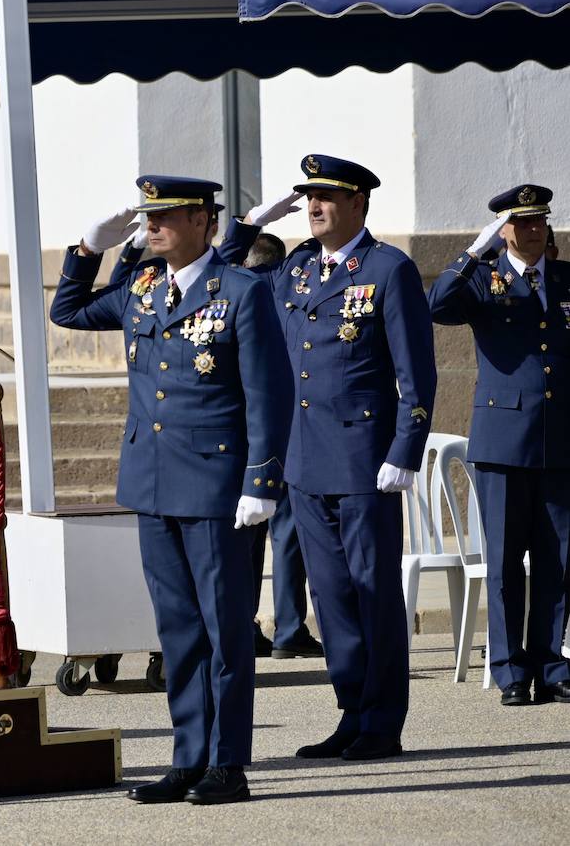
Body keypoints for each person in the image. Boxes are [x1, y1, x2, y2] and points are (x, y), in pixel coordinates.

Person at [51, 176, 291, 805]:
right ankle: (188, 757)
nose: (152, 225)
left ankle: (227, 762)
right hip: (153, 483)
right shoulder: (141, 288)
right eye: (148, 216)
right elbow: (69, 311)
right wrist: (86, 247)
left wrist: (262, 480)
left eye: (166, 216)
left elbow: (269, 392)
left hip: (215, 486)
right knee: (178, 629)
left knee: (224, 629)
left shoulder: (239, 291)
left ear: (204, 222)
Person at [222, 155, 437, 761]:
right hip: (304, 457)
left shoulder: (389, 270)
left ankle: (382, 721)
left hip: (366, 459)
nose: (314, 207)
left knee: (372, 591)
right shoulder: (293, 270)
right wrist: (243, 227)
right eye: (308, 198)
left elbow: (416, 371)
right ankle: (351, 712)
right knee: (332, 597)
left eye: (328, 198)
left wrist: (406, 448)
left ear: (359, 204)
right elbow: (224, 275)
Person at [428, 185, 570, 706]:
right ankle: (511, 669)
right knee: (506, 560)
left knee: (558, 559)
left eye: (540, 222)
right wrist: (471, 253)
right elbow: (438, 305)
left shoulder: (563, 279)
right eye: (522, 222)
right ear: (503, 230)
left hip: (559, 440)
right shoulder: (484, 281)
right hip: (503, 442)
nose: (533, 230)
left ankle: (551, 663)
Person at [237, 233, 325, 660]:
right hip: (283, 428)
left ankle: (245, 624)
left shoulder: (230, 292)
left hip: (237, 431)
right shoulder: (287, 287)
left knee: (246, 536)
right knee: (286, 532)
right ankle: (290, 627)